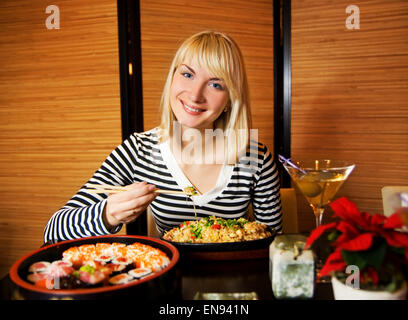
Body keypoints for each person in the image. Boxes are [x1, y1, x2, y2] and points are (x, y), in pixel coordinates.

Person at [44, 31, 282, 243]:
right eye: (188, 75)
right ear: (172, 78)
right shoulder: (139, 150)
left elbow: (276, 244)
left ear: (231, 99)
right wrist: (108, 214)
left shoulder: (255, 158)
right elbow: (53, 230)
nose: (195, 95)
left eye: (216, 85)